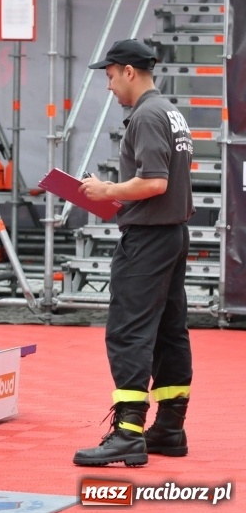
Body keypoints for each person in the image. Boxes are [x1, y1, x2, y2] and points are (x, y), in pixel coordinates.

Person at [73, 39, 194, 467]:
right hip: (173, 233)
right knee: (168, 331)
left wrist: (106, 190)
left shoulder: (144, 115)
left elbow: (153, 182)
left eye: (109, 76)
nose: (108, 87)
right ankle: (170, 427)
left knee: (129, 331)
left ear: (128, 71)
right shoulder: (171, 112)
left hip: (148, 240)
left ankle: (128, 432)